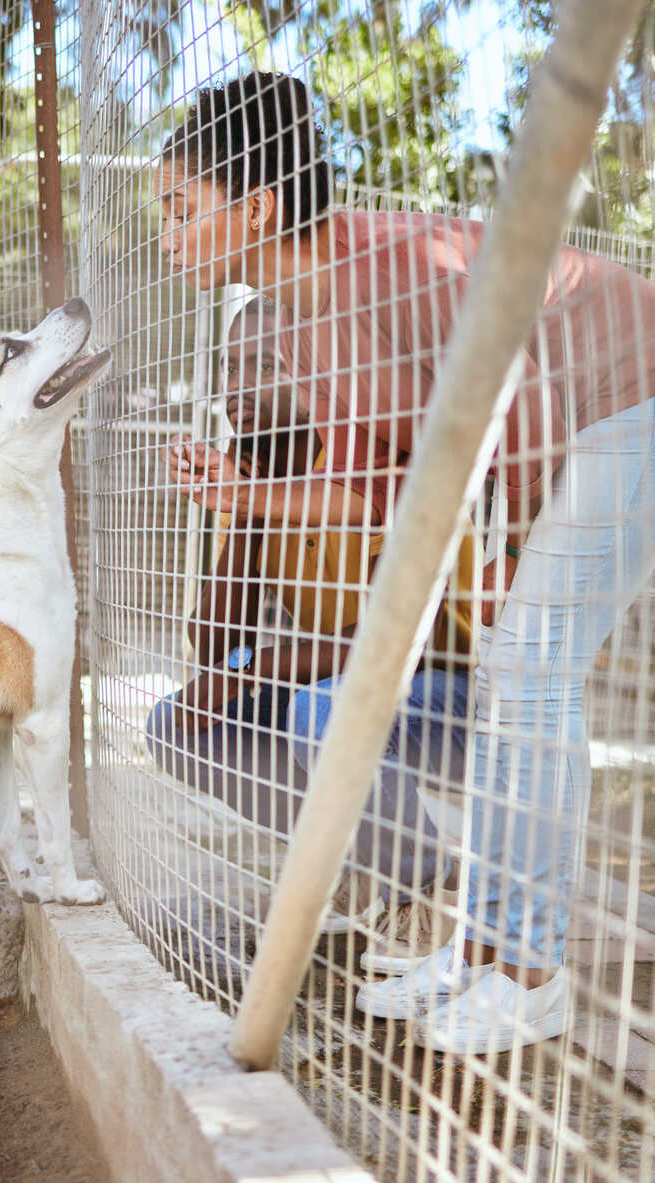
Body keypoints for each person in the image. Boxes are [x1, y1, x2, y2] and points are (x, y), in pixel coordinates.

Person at [154, 71, 655, 1053]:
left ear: (253, 209)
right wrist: (242, 492)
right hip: (575, 434)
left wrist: (501, 554)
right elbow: (384, 491)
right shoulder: (298, 322)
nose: (166, 235)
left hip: (645, 398)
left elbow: (534, 398)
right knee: (516, 671)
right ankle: (480, 953)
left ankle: (532, 972)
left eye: (179, 208)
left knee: (528, 669)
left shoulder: (396, 266)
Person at [144, 297, 480, 973]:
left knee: (315, 708)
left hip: (457, 696)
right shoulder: (264, 480)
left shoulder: (378, 458)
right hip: (337, 693)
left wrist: (260, 666)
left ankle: (423, 888)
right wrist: (244, 509)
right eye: (230, 367)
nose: (235, 387)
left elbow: (416, 632)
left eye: (263, 365)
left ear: (320, 374)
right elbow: (211, 647)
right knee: (173, 726)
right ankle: (362, 855)